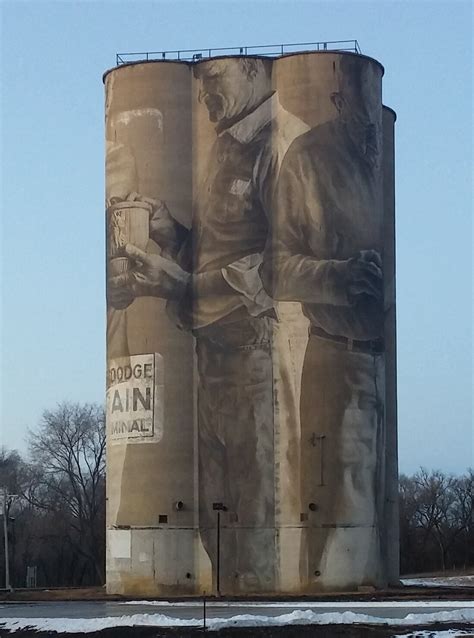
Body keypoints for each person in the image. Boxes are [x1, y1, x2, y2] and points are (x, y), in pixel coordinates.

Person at [108, 57, 309, 592]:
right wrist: (174, 235)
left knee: (251, 510)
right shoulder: (226, 143)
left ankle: (259, 611)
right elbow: (223, 251)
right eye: (197, 88)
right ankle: (224, 609)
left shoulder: (279, 146)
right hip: (210, 356)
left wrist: (180, 281)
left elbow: (280, 267)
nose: (202, 98)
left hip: (251, 359)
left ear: (250, 73)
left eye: (213, 81)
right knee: (213, 514)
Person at [261, 55, 386, 589]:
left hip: (380, 359)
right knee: (328, 493)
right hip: (333, 355)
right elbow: (276, 269)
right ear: (340, 100)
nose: (367, 116)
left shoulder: (379, 156)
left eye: (373, 105)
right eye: (359, 102)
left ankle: (361, 584)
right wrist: (339, 276)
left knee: (372, 498)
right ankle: (313, 595)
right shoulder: (309, 157)